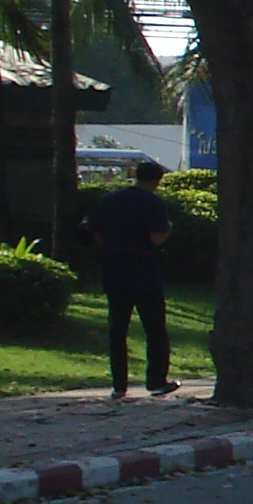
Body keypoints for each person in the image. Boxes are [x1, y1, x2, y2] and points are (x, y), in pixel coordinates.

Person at [86, 159, 178, 400]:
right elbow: (156, 237)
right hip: (144, 269)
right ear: (158, 180)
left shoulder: (110, 200)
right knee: (154, 328)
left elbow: (95, 232)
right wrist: (168, 229)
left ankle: (119, 384)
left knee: (117, 328)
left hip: (114, 268)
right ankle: (156, 380)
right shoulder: (152, 202)